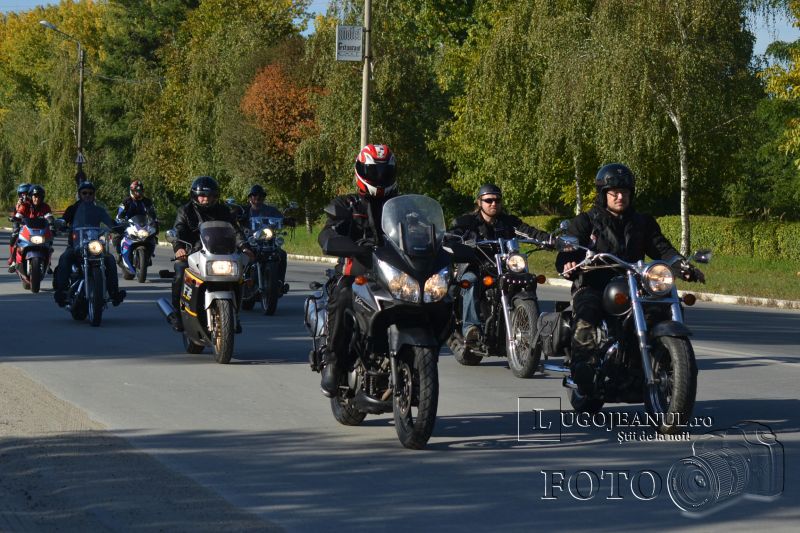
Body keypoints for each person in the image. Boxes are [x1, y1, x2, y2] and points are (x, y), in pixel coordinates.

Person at [555, 163, 704, 393]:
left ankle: (665, 362)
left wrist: (681, 265)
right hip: (595, 283)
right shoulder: (586, 221)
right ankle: (583, 368)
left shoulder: (642, 222)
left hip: (636, 283)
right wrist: (569, 262)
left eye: (624, 192)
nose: (620, 197)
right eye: (614, 192)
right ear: (603, 194)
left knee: (664, 306)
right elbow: (569, 249)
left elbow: (662, 249)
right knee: (587, 313)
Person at [317, 143, 397, 397]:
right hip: (356, 272)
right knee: (343, 296)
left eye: (385, 172)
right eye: (374, 172)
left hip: (393, 274)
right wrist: (338, 241)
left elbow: (420, 229)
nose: (380, 177)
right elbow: (328, 233)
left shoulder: (400, 205)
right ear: (361, 171)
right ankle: (333, 361)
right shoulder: (348, 204)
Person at [449, 183, 553, 345]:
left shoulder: (508, 222)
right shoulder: (467, 223)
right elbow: (453, 236)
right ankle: (471, 327)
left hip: (504, 267)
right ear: (479, 202)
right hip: (476, 266)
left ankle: (529, 324)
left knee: (528, 279)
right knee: (471, 281)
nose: (493, 204)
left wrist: (549, 239)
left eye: (497, 200)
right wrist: (454, 241)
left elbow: (529, 232)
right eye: (488, 200)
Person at [168, 176, 254, 331]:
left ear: (215, 196)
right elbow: (178, 229)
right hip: (192, 252)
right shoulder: (185, 211)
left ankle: (234, 314)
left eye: (210, 196)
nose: (206, 199)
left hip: (220, 252)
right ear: (195, 196)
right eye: (202, 196)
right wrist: (179, 247)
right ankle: (177, 314)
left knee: (238, 276)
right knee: (180, 271)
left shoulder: (223, 210)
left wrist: (244, 246)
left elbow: (235, 230)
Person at [53, 182, 127, 307]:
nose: (87, 195)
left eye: (90, 193)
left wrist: (118, 227)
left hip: (94, 245)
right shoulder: (72, 209)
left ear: (94, 195)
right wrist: (61, 224)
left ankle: (114, 293)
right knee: (65, 257)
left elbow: (109, 221)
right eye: (84, 193)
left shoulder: (98, 210)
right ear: (80, 194)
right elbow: (64, 220)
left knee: (109, 259)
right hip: (76, 245)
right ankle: (62, 292)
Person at [241, 184, 289, 291]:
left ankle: (279, 282)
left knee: (281, 254)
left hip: (267, 241)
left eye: (261, 195)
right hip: (250, 241)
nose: (258, 197)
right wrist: (236, 216)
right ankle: (241, 280)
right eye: (255, 195)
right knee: (241, 254)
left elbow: (280, 218)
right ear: (250, 197)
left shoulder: (271, 210)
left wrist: (287, 220)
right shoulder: (245, 210)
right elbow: (233, 215)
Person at [113, 180, 158, 255]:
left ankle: (150, 253)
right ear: (132, 191)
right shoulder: (126, 201)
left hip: (143, 224)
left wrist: (155, 222)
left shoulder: (147, 201)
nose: (138, 193)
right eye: (136, 191)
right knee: (117, 236)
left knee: (153, 236)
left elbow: (152, 214)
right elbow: (120, 213)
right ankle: (120, 253)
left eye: (140, 191)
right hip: (128, 224)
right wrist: (120, 219)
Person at [7, 183, 32, 271]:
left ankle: (48, 262)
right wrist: (18, 206)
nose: (24, 196)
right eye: (22, 194)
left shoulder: (35, 203)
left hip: (33, 225)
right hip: (20, 223)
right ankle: (13, 260)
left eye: (26, 193)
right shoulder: (20, 204)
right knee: (15, 235)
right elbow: (16, 214)